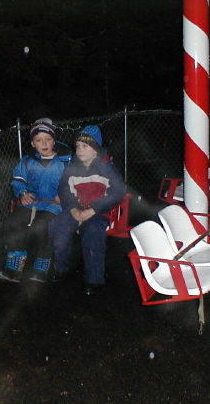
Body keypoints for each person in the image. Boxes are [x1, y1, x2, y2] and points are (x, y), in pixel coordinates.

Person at [48, 125, 126, 295]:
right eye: (77, 146)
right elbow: (65, 190)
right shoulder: (71, 168)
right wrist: (72, 208)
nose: (80, 150)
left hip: (99, 212)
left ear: (96, 149)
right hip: (76, 209)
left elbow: (118, 192)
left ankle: (94, 278)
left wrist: (95, 209)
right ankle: (61, 266)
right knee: (58, 226)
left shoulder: (107, 168)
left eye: (85, 146)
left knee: (93, 232)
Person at [0, 118, 72, 283]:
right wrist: (22, 192)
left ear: (54, 140)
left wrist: (64, 195)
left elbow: (75, 181)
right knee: (13, 222)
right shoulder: (28, 161)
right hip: (32, 201)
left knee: (41, 226)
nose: (44, 143)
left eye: (48, 139)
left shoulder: (65, 161)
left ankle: (41, 266)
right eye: (38, 140)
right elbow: (18, 178)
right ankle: (14, 266)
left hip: (54, 204)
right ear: (32, 143)